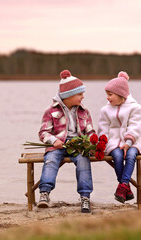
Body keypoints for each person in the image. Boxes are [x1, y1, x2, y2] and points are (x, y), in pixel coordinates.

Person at [37, 69, 95, 213]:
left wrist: (92, 142)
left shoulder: (84, 111)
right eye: (80, 94)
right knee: (50, 161)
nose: (83, 97)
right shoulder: (50, 111)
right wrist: (53, 140)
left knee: (83, 161)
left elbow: (90, 131)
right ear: (68, 95)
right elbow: (43, 132)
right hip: (57, 145)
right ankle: (44, 193)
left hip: (78, 144)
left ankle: (85, 197)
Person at [98, 71, 141, 203]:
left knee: (130, 156)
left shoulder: (135, 108)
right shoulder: (105, 110)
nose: (107, 98)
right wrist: (103, 143)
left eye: (110, 94)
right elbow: (103, 128)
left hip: (132, 142)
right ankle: (126, 188)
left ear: (120, 95)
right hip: (113, 143)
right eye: (107, 95)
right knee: (117, 156)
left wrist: (128, 142)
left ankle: (123, 185)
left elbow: (136, 126)